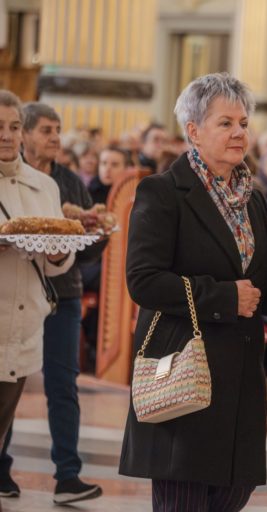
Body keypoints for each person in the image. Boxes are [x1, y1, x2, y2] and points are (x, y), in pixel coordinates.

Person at [117, 73, 267, 512]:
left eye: (244, 123)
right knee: (183, 502)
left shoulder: (251, 198)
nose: (239, 133)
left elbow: (258, 286)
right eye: (225, 123)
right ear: (193, 131)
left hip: (240, 380)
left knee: (232, 496)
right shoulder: (162, 192)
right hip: (184, 371)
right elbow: (143, 280)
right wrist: (224, 298)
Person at [0, 101, 107, 505]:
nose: (55, 138)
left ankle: (68, 474)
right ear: (30, 135)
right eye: (46, 129)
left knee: (59, 385)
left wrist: (70, 248)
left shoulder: (57, 184)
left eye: (58, 129)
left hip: (53, 297)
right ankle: (2, 470)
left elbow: (66, 249)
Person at [0, 90, 75, 500]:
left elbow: (53, 262)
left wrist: (59, 251)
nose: (7, 136)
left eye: (13, 127)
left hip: (23, 329)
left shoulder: (43, 186)